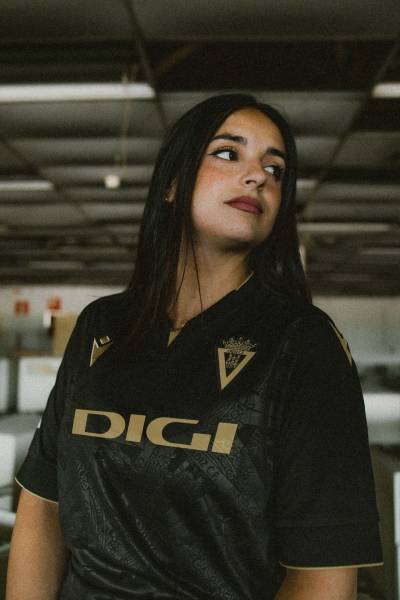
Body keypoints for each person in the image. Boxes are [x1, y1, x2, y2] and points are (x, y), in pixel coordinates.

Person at [6, 94, 383, 600]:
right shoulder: (101, 325)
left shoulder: (304, 344)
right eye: (229, 153)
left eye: (275, 169)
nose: (258, 177)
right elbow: (43, 505)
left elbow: (322, 577)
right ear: (172, 184)